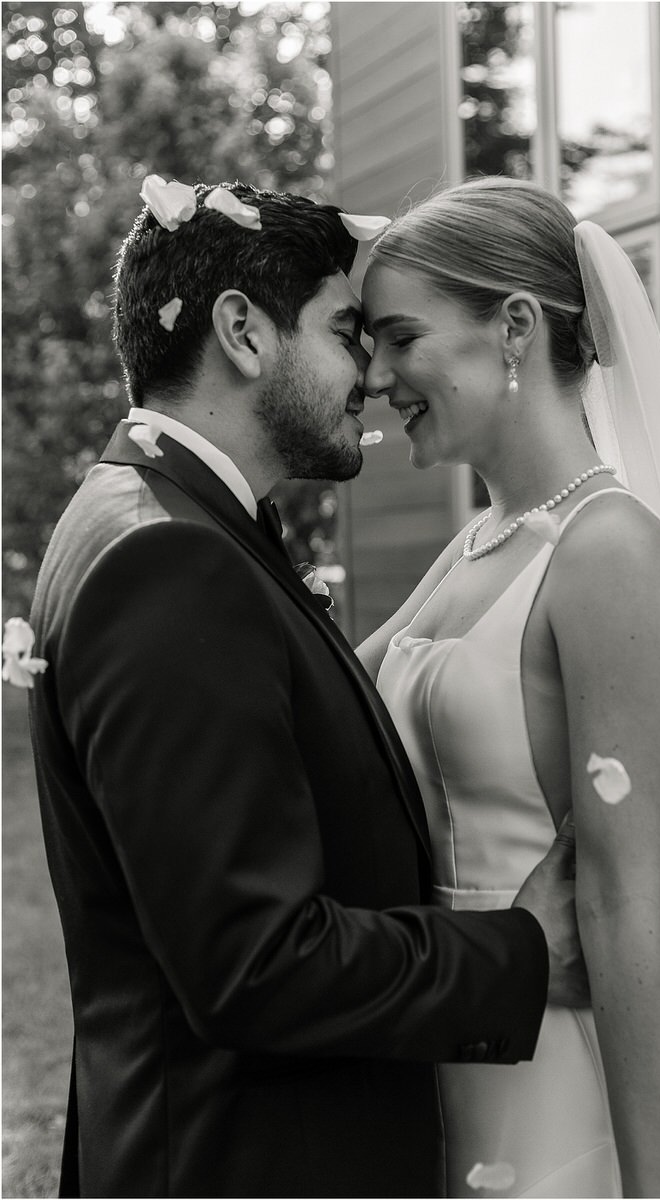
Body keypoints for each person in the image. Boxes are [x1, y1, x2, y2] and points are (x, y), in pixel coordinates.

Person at [24, 180, 589, 1199]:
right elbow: (254, 961)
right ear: (242, 331)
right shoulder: (172, 561)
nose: (371, 372)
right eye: (344, 332)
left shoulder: (150, 518)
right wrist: (519, 955)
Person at [358, 177, 660, 1198]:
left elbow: (617, 901)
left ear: (513, 327)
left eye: (398, 336)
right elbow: (322, 695)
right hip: (462, 1045)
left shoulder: (613, 554)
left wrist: (651, 1188)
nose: (375, 374)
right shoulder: (480, 543)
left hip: (573, 1090)